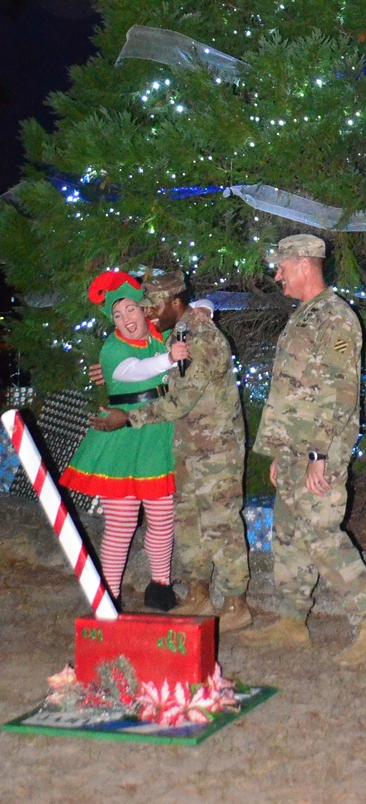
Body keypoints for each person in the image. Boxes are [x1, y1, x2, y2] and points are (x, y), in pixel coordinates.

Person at [245, 234, 366, 662]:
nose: (278, 276)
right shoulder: (305, 316)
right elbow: (296, 392)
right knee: (289, 533)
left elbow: (338, 392)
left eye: (282, 267)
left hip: (320, 449)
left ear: (304, 263)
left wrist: (319, 456)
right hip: (296, 449)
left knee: (320, 535)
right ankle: (293, 621)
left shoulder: (335, 318)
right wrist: (281, 450)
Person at [88, 271, 252, 633]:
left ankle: (236, 602)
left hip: (216, 448)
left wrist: (128, 418)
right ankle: (198, 591)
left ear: (175, 304)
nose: (146, 314)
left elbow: (178, 401)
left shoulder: (203, 338)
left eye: (152, 306)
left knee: (221, 524)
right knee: (188, 522)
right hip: (187, 445)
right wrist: (112, 371)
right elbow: (146, 363)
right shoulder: (179, 331)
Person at [62, 270, 188, 611]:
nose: (125, 319)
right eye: (117, 314)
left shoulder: (163, 335)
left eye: (130, 310)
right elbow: (134, 371)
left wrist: (198, 315)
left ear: (144, 309)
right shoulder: (112, 349)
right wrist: (168, 359)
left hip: (159, 437)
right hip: (122, 439)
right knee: (121, 524)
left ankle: (160, 587)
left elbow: (197, 308)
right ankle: (108, 596)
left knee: (163, 518)